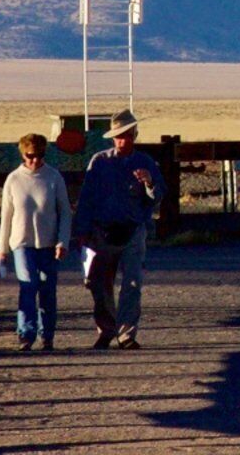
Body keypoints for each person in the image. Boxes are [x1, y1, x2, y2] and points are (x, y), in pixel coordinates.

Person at [75, 111, 164, 350]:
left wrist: (149, 183)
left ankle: (126, 334)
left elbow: (157, 197)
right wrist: (82, 231)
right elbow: (86, 198)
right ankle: (106, 330)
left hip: (133, 231)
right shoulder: (100, 162)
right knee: (101, 284)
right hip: (102, 232)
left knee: (132, 284)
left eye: (126, 135)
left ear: (134, 134)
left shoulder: (145, 162)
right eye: (117, 137)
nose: (122, 141)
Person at [0, 132, 69, 351]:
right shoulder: (14, 179)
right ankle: (26, 334)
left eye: (40, 155)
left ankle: (47, 335)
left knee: (48, 290)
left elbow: (65, 212)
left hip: (49, 245)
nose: (35, 160)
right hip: (21, 244)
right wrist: (2, 250)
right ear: (23, 154)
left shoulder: (54, 177)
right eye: (30, 155)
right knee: (28, 286)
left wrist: (63, 241)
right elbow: (6, 216)